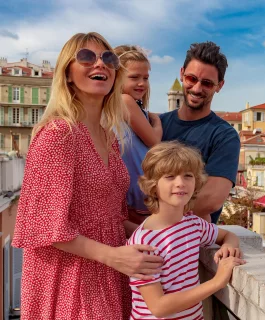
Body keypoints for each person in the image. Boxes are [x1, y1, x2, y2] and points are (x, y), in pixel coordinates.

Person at [12, 32, 162, 320]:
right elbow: (44, 225)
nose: (100, 64)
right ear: (67, 74)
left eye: (108, 58)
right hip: (69, 276)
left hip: (109, 269)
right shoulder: (58, 134)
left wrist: (166, 231)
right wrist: (115, 257)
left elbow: (109, 217)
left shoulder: (110, 138)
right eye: (86, 57)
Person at [128, 141, 245, 319]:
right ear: (153, 185)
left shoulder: (192, 224)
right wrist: (217, 282)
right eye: (170, 176)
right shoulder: (144, 242)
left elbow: (228, 235)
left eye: (188, 176)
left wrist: (228, 247)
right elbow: (158, 307)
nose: (180, 183)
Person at [160, 41, 239, 223]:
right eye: (191, 79)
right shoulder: (157, 124)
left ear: (219, 85)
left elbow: (211, 199)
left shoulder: (224, 136)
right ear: (182, 74)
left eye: (207, 83)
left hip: (188, 246)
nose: (196, 88)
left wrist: (149, 214)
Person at [114, 44, 162, 225]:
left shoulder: (126, 104)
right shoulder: (125, 101)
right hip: (138, 192)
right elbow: (155, 141)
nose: (142, 83)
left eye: (146, 78)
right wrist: (156, 121)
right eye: (134, 77)